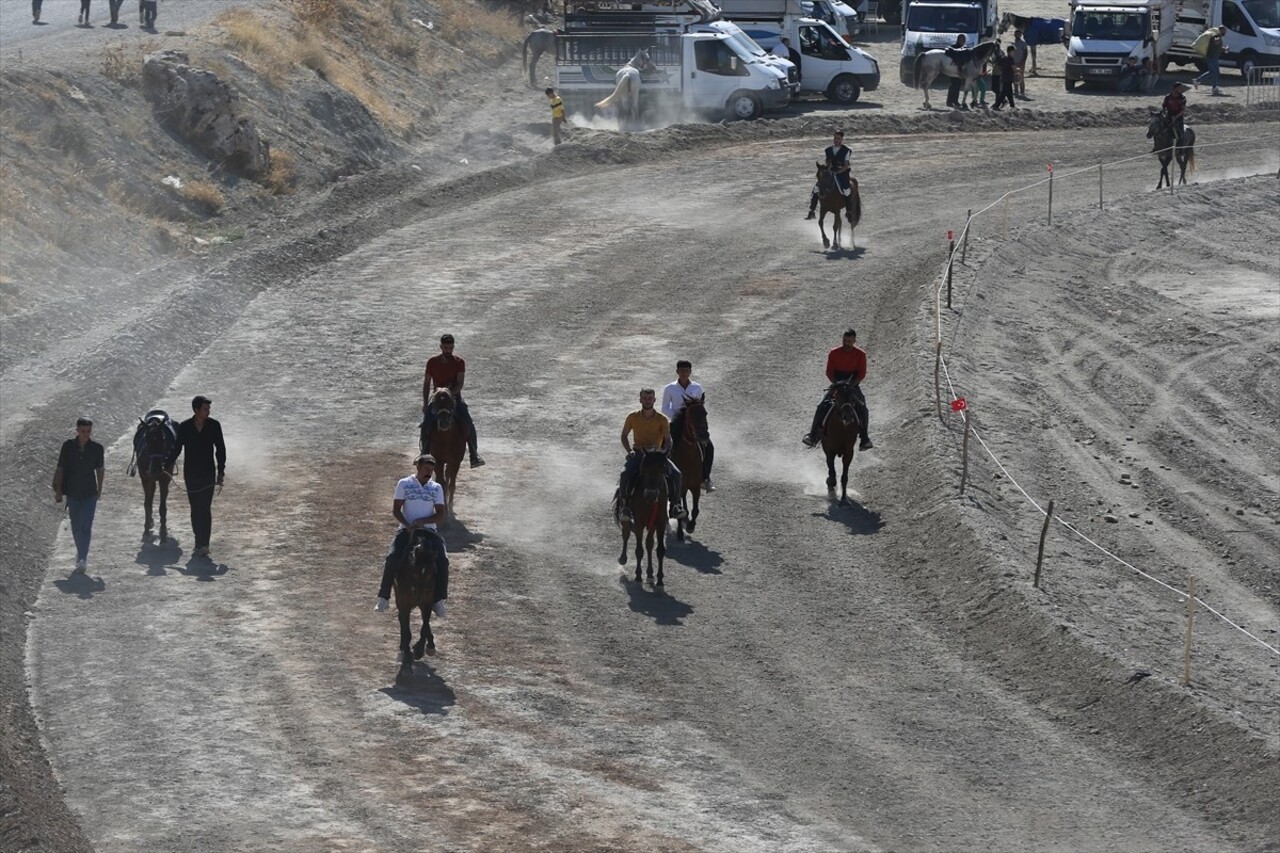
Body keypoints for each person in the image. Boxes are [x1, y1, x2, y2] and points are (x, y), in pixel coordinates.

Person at [374, 454, 449, 616]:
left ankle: (439, 599)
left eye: (431, 469)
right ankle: (384, 596)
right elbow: (396, 510)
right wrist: (407, 525)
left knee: (443, 561)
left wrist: (423, 521)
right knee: (392, 557)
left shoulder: (436, 488)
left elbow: (441, 514)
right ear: (418, 467)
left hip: (429, 532)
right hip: (406, 531)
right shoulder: (404, 484)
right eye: (426, 469)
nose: (429, 472)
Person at [165, 395, 227, 557]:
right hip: (191, 474)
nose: (208, 412)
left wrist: (221, 471)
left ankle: (204, 544)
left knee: (205, 508)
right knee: (195, 508)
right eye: (205, 409)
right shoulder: (185, 427)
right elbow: (177, 448)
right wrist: (166, 464)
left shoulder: (214, 426)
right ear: (196, 410)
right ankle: (198, 540)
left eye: (209, 409)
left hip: (208, 473)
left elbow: (220, 449)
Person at [618, 388, 686, 520]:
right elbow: (624, 436)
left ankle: (675, 505)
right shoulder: (632, 417)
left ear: (654, 400)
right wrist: (629, 451)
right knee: (625, 474)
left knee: (677, 474)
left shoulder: (662, 419)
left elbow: (668, 439)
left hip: (657, 456)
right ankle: (625, 506)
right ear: (640, 400)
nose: (647, 401)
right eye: (645, 398)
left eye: (650, 398)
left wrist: (665, 451)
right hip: (639, 454)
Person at [802, 328, 873, 450]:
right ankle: (813, 436)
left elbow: (861, 374)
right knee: (821, 405)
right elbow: (829, 371)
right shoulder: (834, 353)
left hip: (852, 384)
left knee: (862, 408)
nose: (847, 344)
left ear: (854, 341)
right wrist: (836, 383)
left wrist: (852, 385)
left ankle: (864, 438)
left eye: (849, 341)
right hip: (837, 384)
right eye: (845, 341)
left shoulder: (861, 355)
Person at [421, 334, 486, 467]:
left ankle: (474, 455)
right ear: (441, 347)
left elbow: (460, 383)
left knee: (468, 423)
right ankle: (424, 453)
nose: (448, 350)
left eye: (450, 348)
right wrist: (425, 403)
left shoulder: (459, 362)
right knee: (426, 424)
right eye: (445, 347)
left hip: (454, 398)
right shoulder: (432, 362)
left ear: (453, 347)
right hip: (437, 399)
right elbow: (427, 383)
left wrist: (450, 393)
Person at [53, 417, 105, 574]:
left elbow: (100, 470)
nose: (86, 434)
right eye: (83, 431)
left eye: (88, 431)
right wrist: (58, 490)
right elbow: (60, 468)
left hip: (90, 492)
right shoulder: (67, 446)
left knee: (86, 526)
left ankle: (82, 558)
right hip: (73, 492)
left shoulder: (97, 448)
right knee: (76, 526)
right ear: (77, 430)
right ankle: (80, 552)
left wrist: (99, 490)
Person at [662, 360, 715, 491]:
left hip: (694, 425)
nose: (684, 373)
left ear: (690, 372)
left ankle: (705, 478)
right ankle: (664, 476)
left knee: (709, 447)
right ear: (677, 372)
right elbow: (664, 408)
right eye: (682, 370)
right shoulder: (669, 388)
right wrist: (679, 418)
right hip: (677, 423)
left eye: (687, 370)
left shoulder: (697, 388)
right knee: (665, 446)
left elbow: (700, 407)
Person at [805, 130, 857, 224]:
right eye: (835, 138)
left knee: (846, 189)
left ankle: (849, 211)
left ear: (842, 139)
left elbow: (846, 165)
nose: (836, 140)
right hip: (830, 171)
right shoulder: (828, 150)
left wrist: (838, 172)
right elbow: (827, 162)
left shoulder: (846, 151)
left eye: (838, 139)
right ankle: (812, 210)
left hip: (842, 172)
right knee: (817, 188)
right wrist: (826, 169)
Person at [1194, 26, 1226, 96]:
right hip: (1212, 57)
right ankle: (1214, 88)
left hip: (1213, 57)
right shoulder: (1217, 36)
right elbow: (1215, 41)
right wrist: (1217, 40)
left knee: (1212, 72)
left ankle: (1198, 81)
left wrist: (1224, 49)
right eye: (1224, 31)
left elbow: (1217, 47)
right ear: (1221, 30)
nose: (1225, 32)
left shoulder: (1217, 36)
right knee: (1215, 72)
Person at [944, 34, 970, 109]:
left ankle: (955, 101)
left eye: (964, 40)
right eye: (962, 40)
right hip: (953, 70)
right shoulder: (953, 48)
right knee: (953, 85)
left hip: (960, 71)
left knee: (958, 85)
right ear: (958, 40)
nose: (963, 41)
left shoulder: (964, 49)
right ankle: (949, 101)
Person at [992, 46, 1017, 110]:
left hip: (1004, 77)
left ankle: (1012, 106)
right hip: (1009, 78)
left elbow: (999, 65)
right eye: (1013, 51)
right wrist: (1018, 69)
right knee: (1003, 93)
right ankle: (996, 105)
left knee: (1010, 93)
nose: (1014, 53)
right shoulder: (1011, 59)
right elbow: (1014, 68)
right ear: (1010, 51)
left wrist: (1004, 70)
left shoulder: (1004, 58)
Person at [1012, 29, 1029, 97]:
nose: (1017, 35)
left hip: (1021, 62)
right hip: (1014, 62)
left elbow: (1025, 53)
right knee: (1014, 76)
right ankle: (1016, 90)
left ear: (1021, 35)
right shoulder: (1012, 43)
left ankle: (1022, 91)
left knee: (1021, 76)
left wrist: (1023, 61)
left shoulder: (1023, 43)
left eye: (1018, 34)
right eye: (1016, 34)